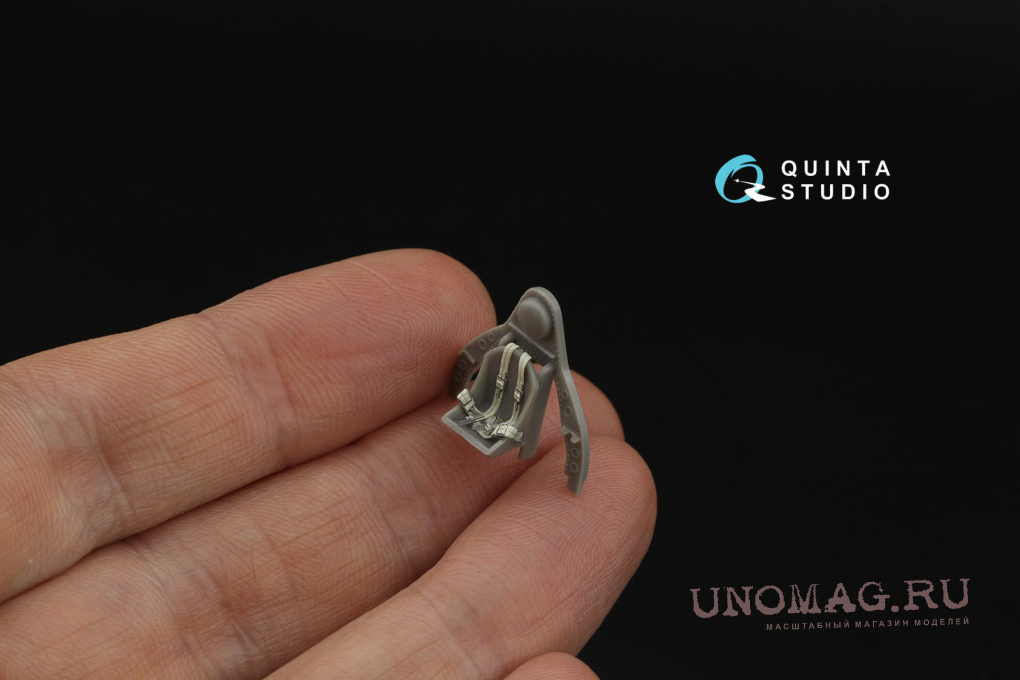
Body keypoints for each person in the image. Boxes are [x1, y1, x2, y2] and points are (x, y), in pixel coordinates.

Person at [0, 249, 656, 679]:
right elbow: (517, 374)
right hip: (486, 414)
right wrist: (496, 401)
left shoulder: (520, 349)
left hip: (491, 415)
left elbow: (513, 371)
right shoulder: (523, 349)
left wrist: (551, 436)